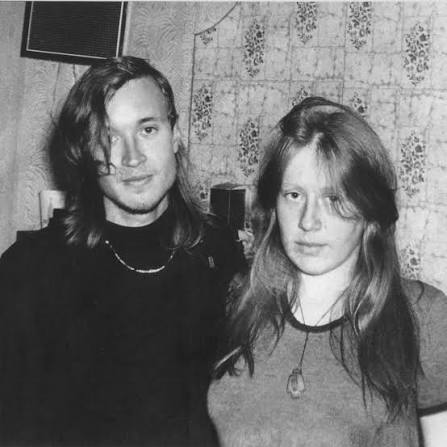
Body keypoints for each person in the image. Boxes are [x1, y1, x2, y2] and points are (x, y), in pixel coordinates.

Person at [0, 56, 244, 446]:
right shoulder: (31, 269)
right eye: (109, 137)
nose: (132, 157)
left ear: (176, 135)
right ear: (85, 151)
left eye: (147, 129)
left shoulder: (219, 252)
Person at [208, 97, 447, 447]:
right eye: (294, 195)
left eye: (333, 199)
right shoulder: (237, 302)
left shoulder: (424, 316)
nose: (309, 221)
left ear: (369, 208)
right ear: (273, 205)